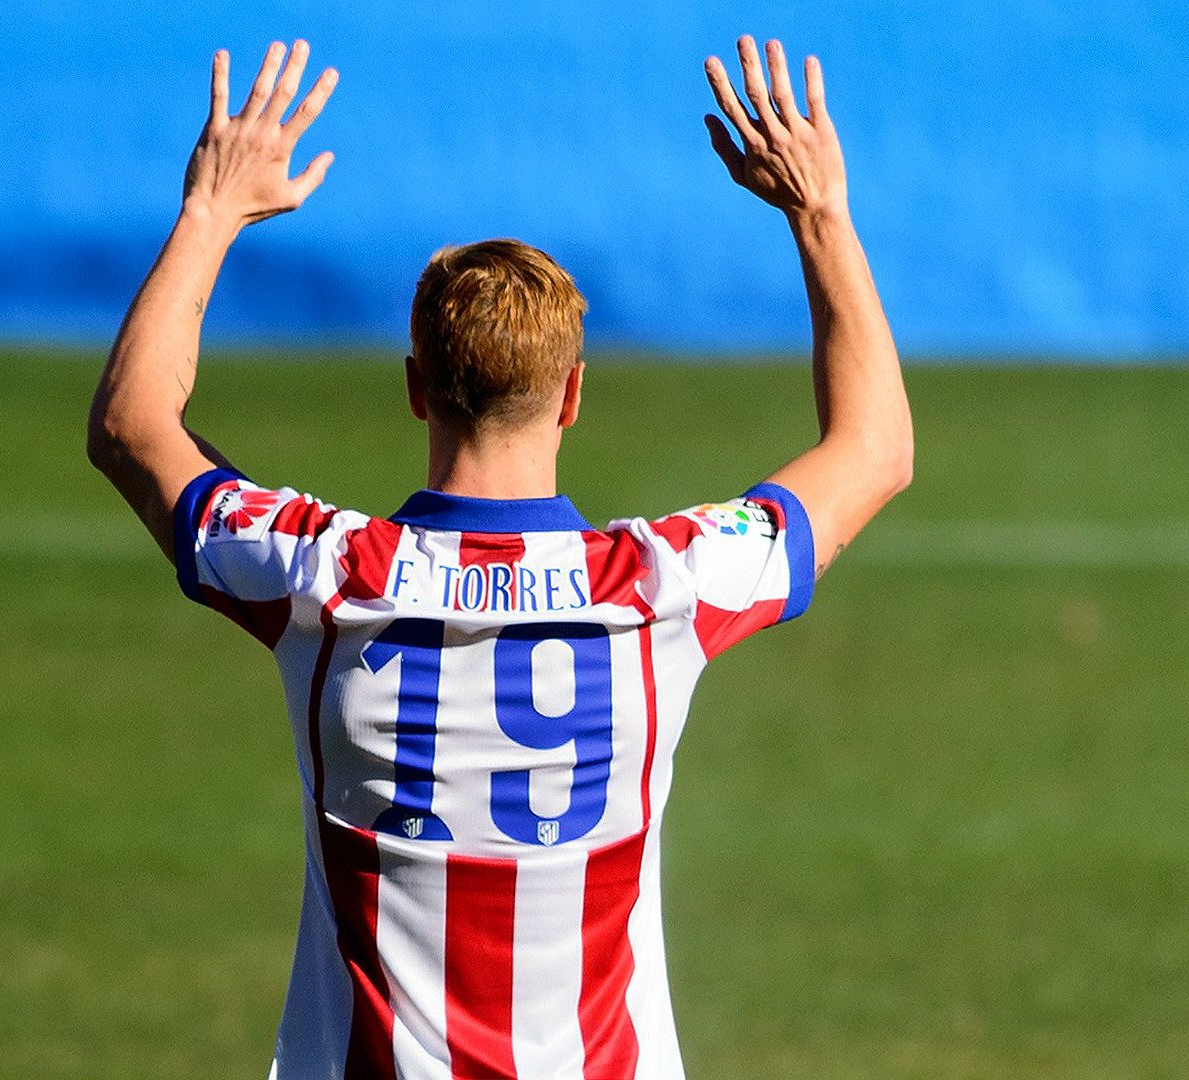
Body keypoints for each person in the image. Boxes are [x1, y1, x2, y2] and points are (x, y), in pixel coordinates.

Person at [87, 35, 912, 1080]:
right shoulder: (670, 585)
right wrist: (821, 212)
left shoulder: (322, 577)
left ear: (415, 387)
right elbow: (876, 450)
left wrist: (211, 212)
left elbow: (132, 427)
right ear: (571, 395)